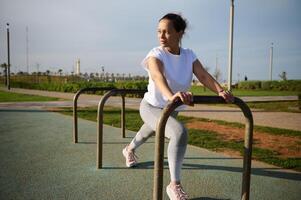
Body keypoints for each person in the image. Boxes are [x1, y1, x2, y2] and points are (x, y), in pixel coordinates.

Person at [122, 13, 234, 200]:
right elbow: (158, 76)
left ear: (179, 33)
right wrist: (171, 96)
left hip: (170, 109)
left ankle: (129, 149)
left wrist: (220, 91)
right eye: (159, 31)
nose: (161, 36)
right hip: (151, 106)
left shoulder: (189, 55)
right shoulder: (155, 54)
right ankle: (174, 185)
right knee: (179, 132)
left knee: (146, 132)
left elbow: (203, 75)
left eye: (167, 32)